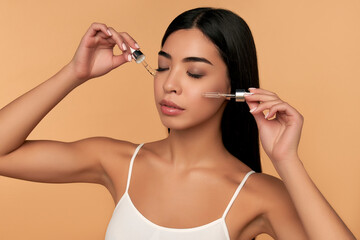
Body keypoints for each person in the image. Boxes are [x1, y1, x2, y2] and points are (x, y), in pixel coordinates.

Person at [0, 7, 355, 240]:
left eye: (195, 72)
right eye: (164, 66)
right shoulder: (116, 161)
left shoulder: (259, 195)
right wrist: (74, 73)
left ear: (234, 90)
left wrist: (287, 161)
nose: (170, 83)